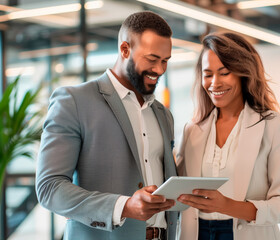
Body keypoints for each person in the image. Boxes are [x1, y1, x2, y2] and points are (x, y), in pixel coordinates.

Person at [36, 11, 179, 240]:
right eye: (152, 59)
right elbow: (50, 188)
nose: (160, 70)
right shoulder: (74, 101)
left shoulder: (163, 114)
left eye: (165, 61)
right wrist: (124, 206)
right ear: (125, 49)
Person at [176, 32, 280, 240]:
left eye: (224, 73)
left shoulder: (275, 125)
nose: (214, 83)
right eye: (208, 74)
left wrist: (228, 206)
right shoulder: (191, 130)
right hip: (198, 233)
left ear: (243, 73)